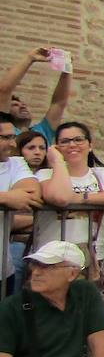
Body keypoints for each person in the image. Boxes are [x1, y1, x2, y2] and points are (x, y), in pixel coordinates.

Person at [35, 123, 104, 287]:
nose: (72, 145)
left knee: (92, 311)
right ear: (56, 147)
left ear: (90, 145)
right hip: (53, 258)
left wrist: (81, 198)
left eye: (78, 139)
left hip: (93, 258)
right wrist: (57, 162)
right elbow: (61, 198)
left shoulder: (102, 175)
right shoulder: (45, 175)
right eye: (64, 141)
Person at [0, 114, 41, 296]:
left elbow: (31, 194)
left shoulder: (15, 164)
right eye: (6, 138)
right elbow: (13, 198)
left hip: (2, 271)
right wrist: (4, 197)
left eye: (13, 137)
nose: (13, 144)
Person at [0, 46, 73, 145]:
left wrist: (67, 67)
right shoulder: (4, 128)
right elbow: (4, 90)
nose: (22, 106)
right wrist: (30, 58)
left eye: (23, 104)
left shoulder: (42, 131)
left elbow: (59, 103)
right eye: (15, 105)